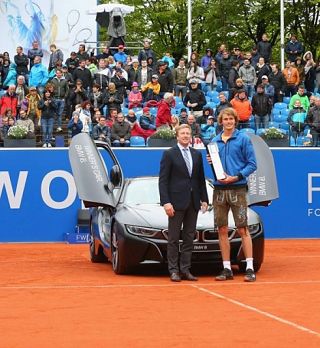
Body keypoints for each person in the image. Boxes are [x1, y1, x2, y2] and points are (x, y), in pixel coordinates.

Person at [208, 107, 257, 282]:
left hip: (238, 188)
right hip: (219, 189)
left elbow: (252, 164)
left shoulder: (243, 139)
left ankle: (250, 267)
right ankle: (226, 268)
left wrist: (235, 177)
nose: (228, 122)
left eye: (231, 119)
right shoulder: (213, 142)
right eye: (225, 119)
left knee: (242, 228)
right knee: (221, 229)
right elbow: (216, 168)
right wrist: (212, 163)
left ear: (235, 121)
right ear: (221, 121)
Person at [159, 124, 208, 282]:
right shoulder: (169, 154)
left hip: (193, 203)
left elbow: (200, 179)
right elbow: (163, 181)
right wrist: (166, 202)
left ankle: (185, 269)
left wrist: (204, 199)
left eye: (188, 133)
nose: (186, 135)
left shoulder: (197, 154)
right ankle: (173, 270)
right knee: (173, 238)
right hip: (175, 202)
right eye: (183, 133)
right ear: (177, 136)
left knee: (188, 238)